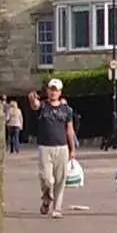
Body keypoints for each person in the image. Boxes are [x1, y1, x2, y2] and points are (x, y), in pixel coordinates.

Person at [29, 78, 77, 218]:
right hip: (45, 147)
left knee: (60, 179)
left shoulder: (66, 109)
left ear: (60, 92)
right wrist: (32, 99)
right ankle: (46, 198)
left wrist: (72, 148)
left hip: (62, 147)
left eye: (56, 90)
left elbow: (70, 129)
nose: (53, 92)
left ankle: (57, 208)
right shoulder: (43, 106)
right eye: (51, 89)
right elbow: (35, 105)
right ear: (47, 91)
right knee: (47, 179)